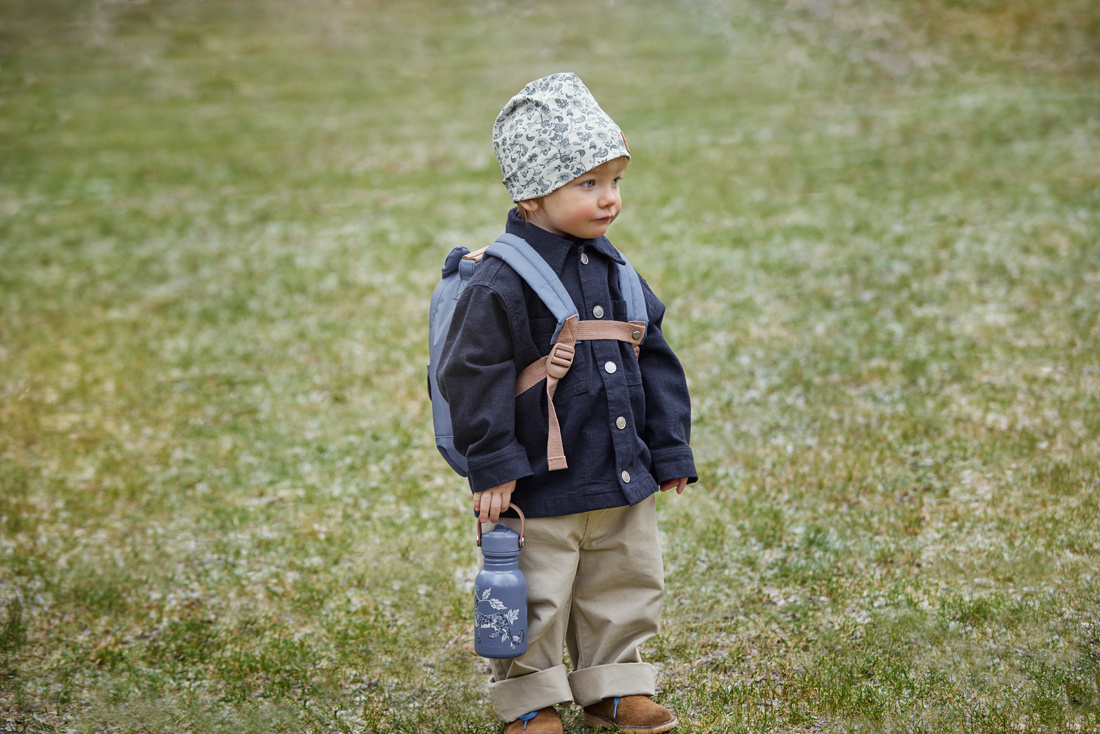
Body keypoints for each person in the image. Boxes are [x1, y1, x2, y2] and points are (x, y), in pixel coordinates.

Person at [437, 72, 696, 734]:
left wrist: (669, 448)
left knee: (625, 581)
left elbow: (655, 356)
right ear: (532, 194)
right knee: (537, 593)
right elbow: (472, 372)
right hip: (539, 484)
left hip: (620, 469)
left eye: (615, 181)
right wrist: (493, 463)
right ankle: (529, 700)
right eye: (588, 183)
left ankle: (614, 686)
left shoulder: (616, 269)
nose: (609, 198)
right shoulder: (501, 280)